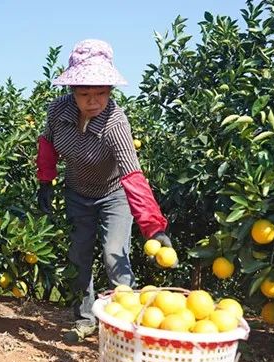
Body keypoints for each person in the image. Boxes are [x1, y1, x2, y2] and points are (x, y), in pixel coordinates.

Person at [35, 39, 175, 343]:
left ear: (110, 90)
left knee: (114, 254)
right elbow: (47, 144)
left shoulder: (116, 123)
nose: (93, 101)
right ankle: (85, 319)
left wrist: (153, 228)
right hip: (77, 192)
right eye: (85, 93)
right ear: (72, 91)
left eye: (101, 93)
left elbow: (132, 175)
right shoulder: (58, 112)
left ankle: (126, 325)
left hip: (114, 195)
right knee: (78, 255)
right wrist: (45, 181)